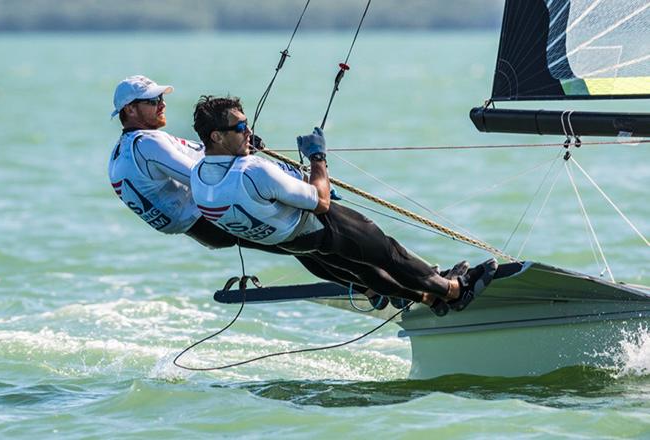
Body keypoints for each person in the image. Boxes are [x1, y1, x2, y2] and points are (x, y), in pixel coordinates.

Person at [190, 95, 498, 312]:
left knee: (363, 273)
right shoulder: (253, 171)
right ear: (217, 136)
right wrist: (317, 158)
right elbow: (321, 201)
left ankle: (427, 299)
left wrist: (244, 149)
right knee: (389, 253)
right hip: (320, 227)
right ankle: (455, 291)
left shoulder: (199, 177)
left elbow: (241, 190)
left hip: (294, 243)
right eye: (241, 128)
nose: (250, 132)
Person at [106, 75, 385, 305]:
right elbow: (201, 176)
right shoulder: (148, 143)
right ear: (129, 110)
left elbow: (200, 158)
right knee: (311, 241)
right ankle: (378, 286)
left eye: (162, 98)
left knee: (303, 247)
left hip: (202, 228)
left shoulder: (121, 152)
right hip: (213, 217)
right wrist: (254, 165)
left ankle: (368, 286)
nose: (162, 104)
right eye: (153, 101)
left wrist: (236, 146)